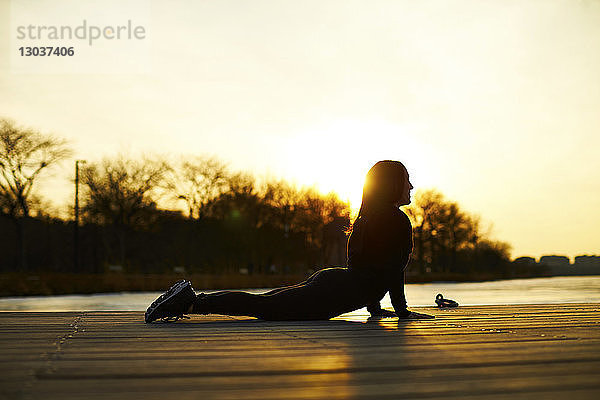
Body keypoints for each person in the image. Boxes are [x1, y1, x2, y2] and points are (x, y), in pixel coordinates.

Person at [145, 160, 433, 323]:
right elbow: (391, 271)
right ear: (392, 184)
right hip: (333, 294)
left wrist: (375, 308)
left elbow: (368, 267)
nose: (411, 186)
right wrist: (402, 310)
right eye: (407, 179)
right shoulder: (395, 219)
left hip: (334, 283)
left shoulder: (367, 217)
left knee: (264, 302)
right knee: (263, 307)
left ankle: (190, 301)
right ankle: (190, 303)